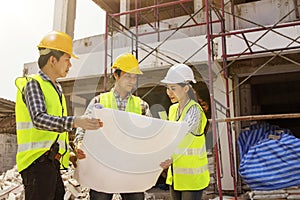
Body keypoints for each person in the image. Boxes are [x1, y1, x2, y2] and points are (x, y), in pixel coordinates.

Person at [15, 30, 103, 200]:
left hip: (50, 163)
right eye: (67, 59)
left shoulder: (57, 89)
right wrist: (77, 122)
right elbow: (39, 119)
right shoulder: (34, 84)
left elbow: (55, 132)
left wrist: (70, 153)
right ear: (53, 60)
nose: (70, 65)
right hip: (36, 164)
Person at [74, 53, 151, 200]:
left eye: (134, 77)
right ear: (116, 75)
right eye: (128, 76)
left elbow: (149, 135)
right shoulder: (99, 102)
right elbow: (83, 128)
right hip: (103, 167)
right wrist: (78, 144)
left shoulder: (141, 105)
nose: (132, 81)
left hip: (130, 169)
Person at [159, 64, 210, 200]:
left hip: (192, 178)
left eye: (173, 88)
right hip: (176, 176)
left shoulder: (195, 111)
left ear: (186, 88)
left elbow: (184, 138)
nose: (169, 92)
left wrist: (170, 158)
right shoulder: (173, 109)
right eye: (168, 88)